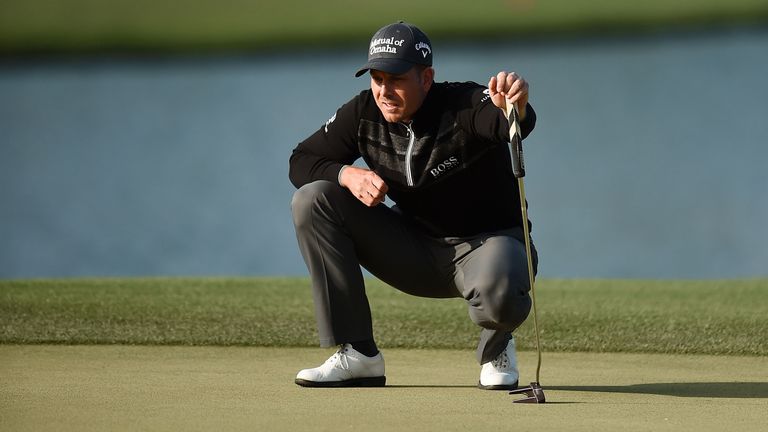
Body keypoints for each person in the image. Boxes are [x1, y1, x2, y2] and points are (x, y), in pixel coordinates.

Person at [288, 21, 538, 390]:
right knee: (312, 199)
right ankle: (359, 355)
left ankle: (497, 347)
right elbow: (302, 160)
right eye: (376, 78)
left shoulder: (465, 103)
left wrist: (513, 107)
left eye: (396, 79)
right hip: (412, 250)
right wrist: (346, 175)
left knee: (499, 286)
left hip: (488, 249)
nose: (384, 91)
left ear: (426, 77)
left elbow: (507, 122)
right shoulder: (363, 114)